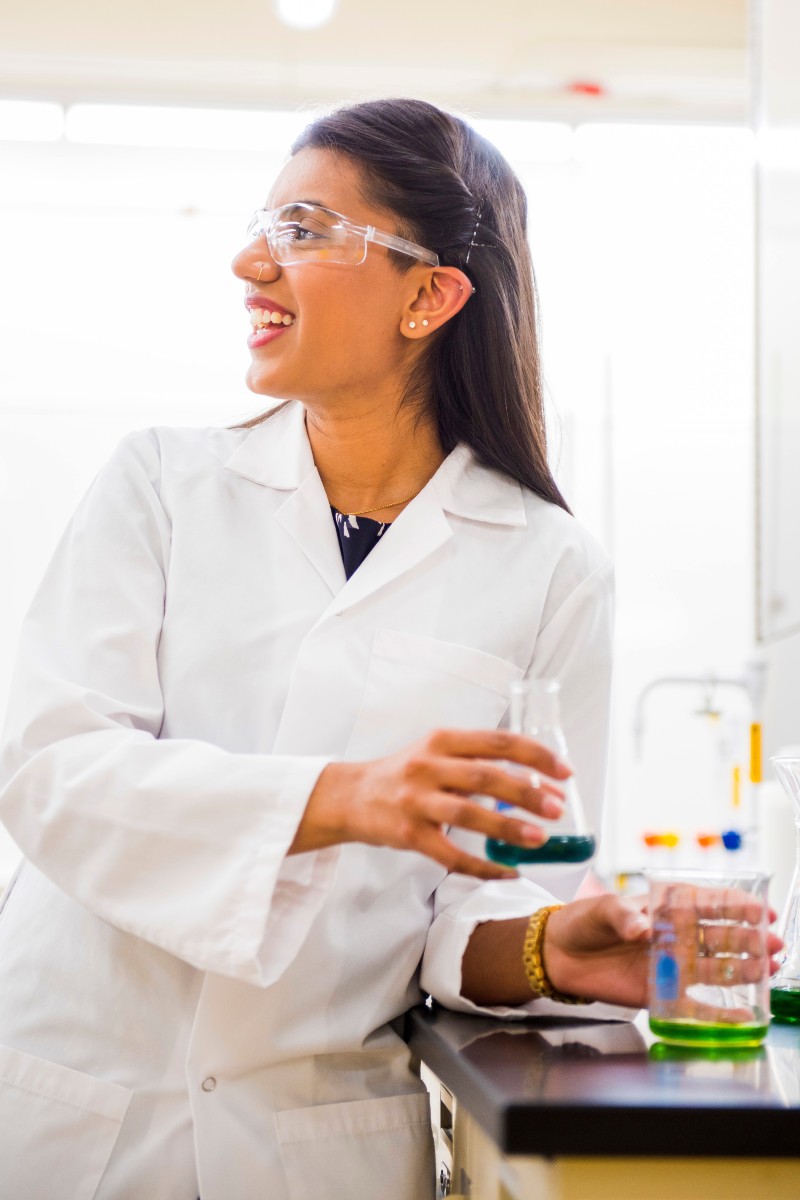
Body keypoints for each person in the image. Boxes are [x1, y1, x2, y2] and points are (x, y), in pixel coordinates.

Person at [0, 97, 666, 1199]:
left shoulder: (550, 567)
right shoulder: (160, 485)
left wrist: (551, 946)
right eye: (267, 225)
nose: (248, 262)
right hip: (77, 1113)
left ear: (430, 296)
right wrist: (341, 798)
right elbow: (49, 766)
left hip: (310, 1148)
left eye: (304, 229)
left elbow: (489, 894)